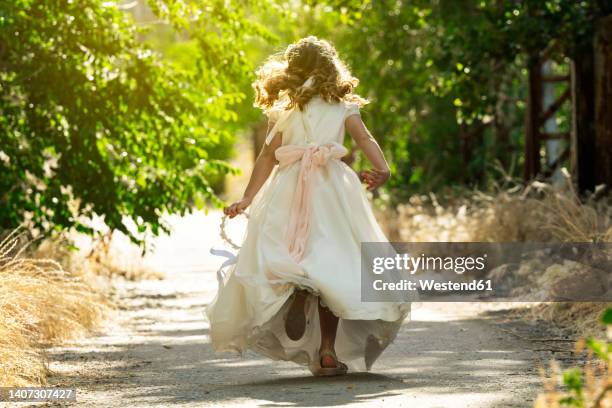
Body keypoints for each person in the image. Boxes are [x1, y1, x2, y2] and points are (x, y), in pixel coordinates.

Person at [205, 36, 412, 376]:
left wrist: (248, 198)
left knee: (289, 253)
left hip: (287, 188)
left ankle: (300, 293)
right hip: (332, 188)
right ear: (332, 68)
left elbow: (267, 156)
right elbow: (364, 139)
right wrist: (383, 168)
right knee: (334, 263)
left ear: (291, 72)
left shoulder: (284, 109)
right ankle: (328, 351)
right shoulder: (343, 106)